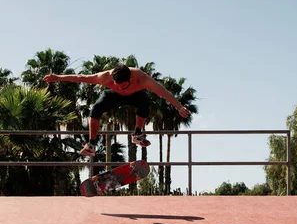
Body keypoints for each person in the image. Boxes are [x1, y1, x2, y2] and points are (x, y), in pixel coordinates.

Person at [43, 63, 190, 157]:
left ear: (131, 79)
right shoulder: (105, 77)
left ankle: (137, 135)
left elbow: (163, 92)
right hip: (113, 97)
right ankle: (91, 144)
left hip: (136, 96)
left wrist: (179, 107)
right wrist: (58, 77)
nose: (120, 87)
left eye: (123, 85)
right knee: (95, 109)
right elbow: (81, 77)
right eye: (117, 84)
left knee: (145, 102)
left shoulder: (142, 78)